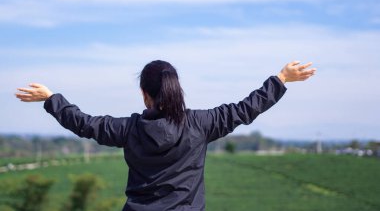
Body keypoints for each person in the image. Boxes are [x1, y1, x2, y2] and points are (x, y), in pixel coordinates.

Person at [15, 60, 316, 211]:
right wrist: (281, 79)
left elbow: (84, 123)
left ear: (144, 95)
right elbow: (246, 109)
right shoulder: (202, 123)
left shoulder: (127, 129)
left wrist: (50, 98)